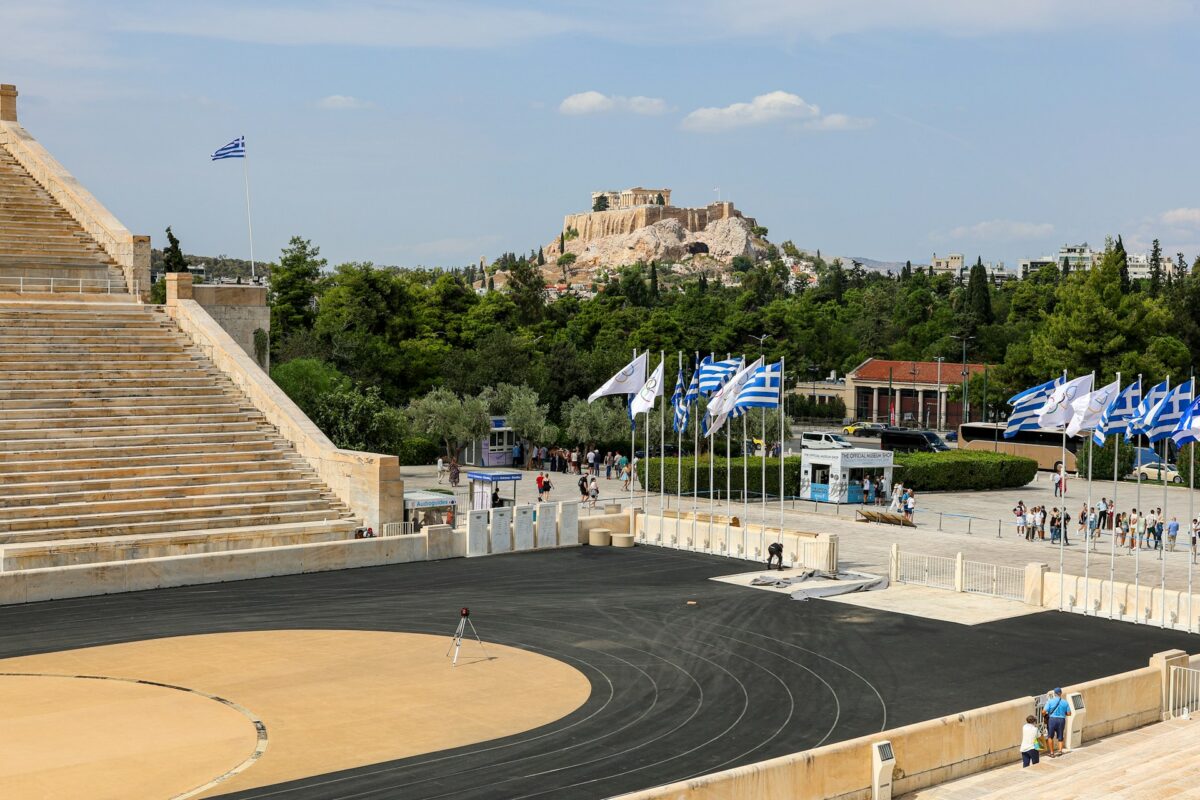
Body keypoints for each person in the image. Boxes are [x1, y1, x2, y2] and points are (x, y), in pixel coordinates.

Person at [1042, 688, 1072, 758]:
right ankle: (1060, 751)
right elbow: (1069, 713)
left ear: (1054, 694)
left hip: (1052, 720)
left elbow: (1043, 711)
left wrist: (1045, 715)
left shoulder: (1050, 701)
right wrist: (1063, 714)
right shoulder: (1065, 702)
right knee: (1060, 736)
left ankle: (1052, 753)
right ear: (1061, 693)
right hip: (1061, 720)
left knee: (1050, 736)